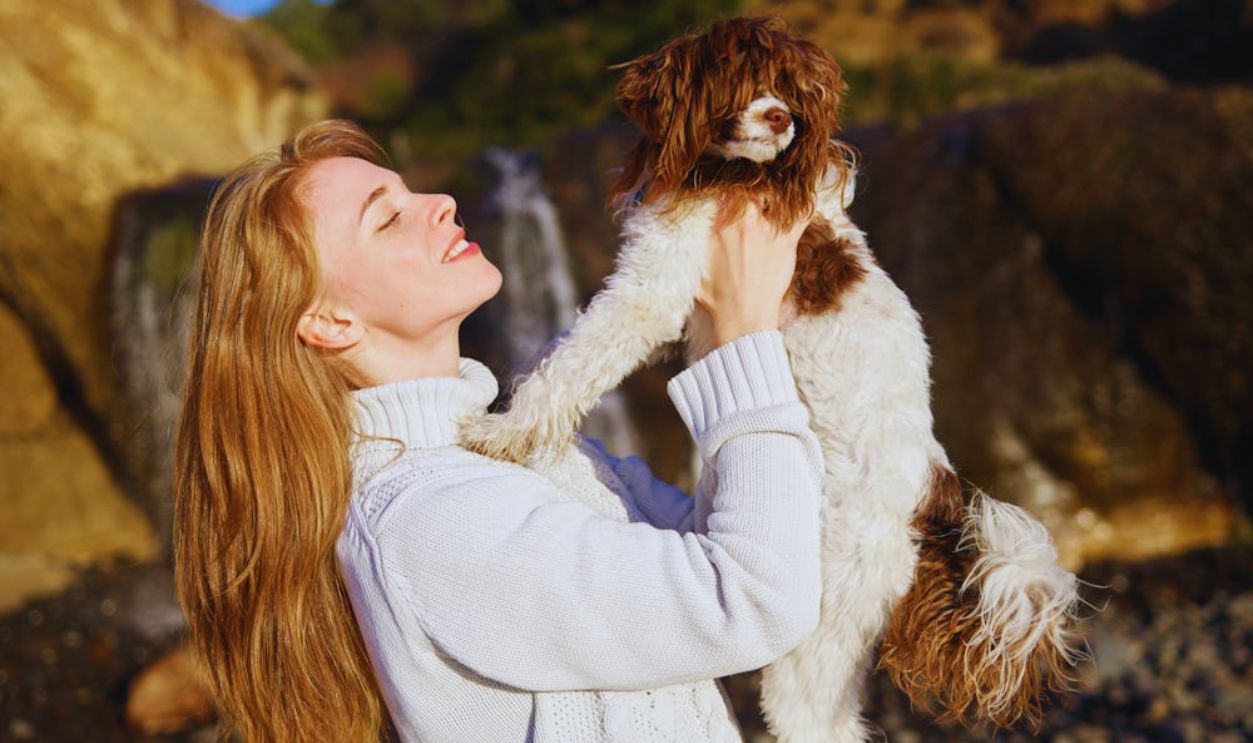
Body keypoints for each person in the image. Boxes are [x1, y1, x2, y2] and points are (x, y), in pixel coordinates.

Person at [173, 118, 824, 743]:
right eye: (389, 217)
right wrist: (739, 329)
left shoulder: (506, 453)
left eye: (409, 191)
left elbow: (748, 539)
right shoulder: (426, 519)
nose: (441, 202)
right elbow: (754, 597)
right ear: (332, 322)